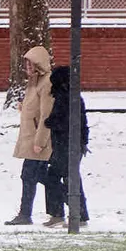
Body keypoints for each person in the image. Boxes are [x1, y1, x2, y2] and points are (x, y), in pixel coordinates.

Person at [4, 46, 64, 226]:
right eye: (27, 63)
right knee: (34, 176)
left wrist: (40, 141)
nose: (28, 66)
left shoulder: (46, 83)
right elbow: (36, 108)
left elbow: (47, 114)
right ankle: (58, 209)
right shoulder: (34, 82)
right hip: (31, 138)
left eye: (31, 63)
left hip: (39, 141)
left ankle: (71, 204)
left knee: (34, 175)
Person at [43, 65, 89, 227]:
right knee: (68, 178)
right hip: (73, 144)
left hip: (65, 144)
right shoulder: (74, 96)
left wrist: (47, 122)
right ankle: (71, 212)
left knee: (57, 177)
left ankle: (75, 212)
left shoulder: (63, 97)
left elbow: (59, 121)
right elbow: (82, 122)